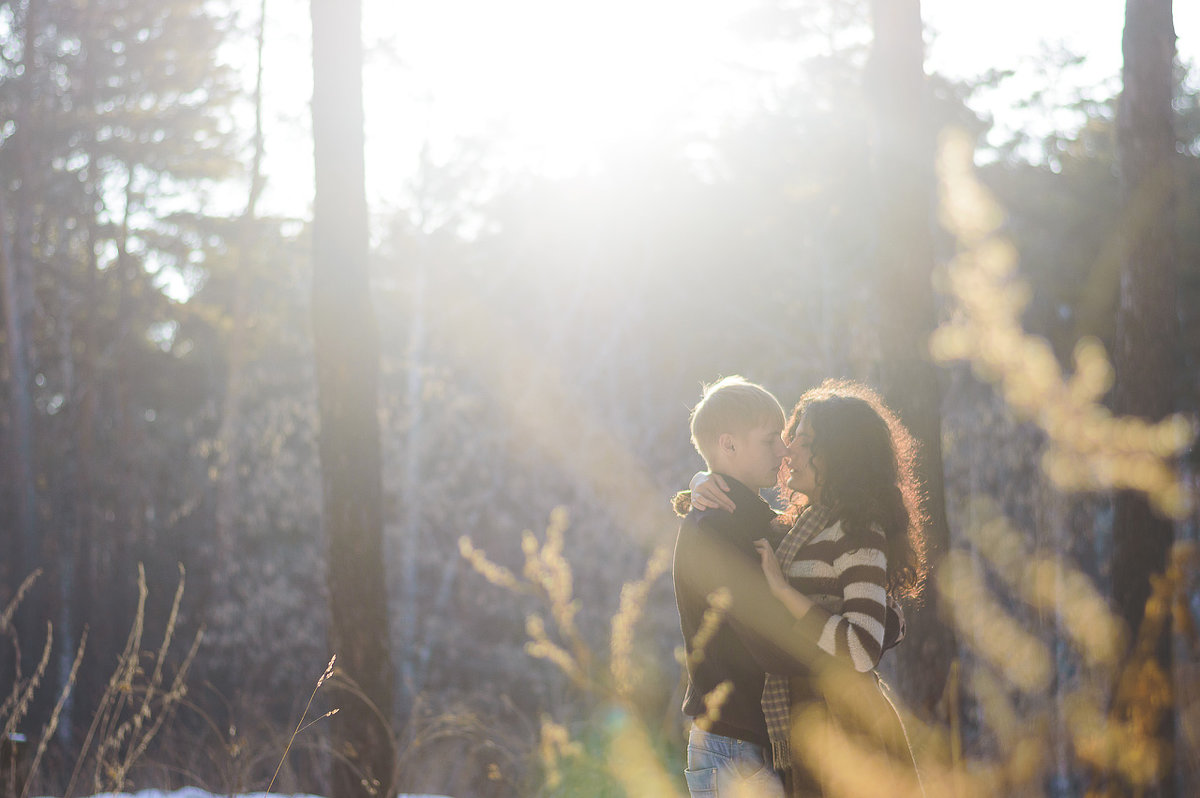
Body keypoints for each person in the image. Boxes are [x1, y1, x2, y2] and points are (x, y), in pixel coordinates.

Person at [691, 379, 927, 797]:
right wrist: (698, 483)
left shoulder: (856, 531)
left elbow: (860, 648)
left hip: (847, 729)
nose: (787, 450)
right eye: (787, 437)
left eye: (803, 439)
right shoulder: (801, 525)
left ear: (839, 454)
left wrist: (786, 594)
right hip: (808, 722)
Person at [673, 376, 833, 798]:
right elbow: (766, 636)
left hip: (754, 744)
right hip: (735, 751)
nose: (783, 451)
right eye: (770, 441)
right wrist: (847, 654)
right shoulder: (716, 527)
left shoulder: (749, 517)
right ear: (728, 446)